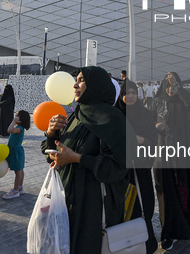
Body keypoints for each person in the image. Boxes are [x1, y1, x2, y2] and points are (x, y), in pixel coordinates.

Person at [42, 67, 130, 254]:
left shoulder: (112, 120)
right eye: (76, 79)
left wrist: (77, 158)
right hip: (68, 200)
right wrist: (51, 135)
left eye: (81, 80)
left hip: (93, 206)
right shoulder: (78, 115)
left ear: (96, 85)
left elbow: (117, 168)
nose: (75, 84)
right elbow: (59, 151)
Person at [151, 72, 190, 251]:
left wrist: (176, 85)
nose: (170, 89)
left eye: (173, 85)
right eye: (167, 85)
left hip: (181, 153)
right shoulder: (156, 102)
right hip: (162, 154)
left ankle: (183, 224)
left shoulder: (184, 104)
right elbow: (147, 122)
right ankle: (167, 232)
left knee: (182, 190)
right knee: (166, 194)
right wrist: (155, 126)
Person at [115, 79, 159, 254]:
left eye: (133, 92)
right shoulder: (116, 115)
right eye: (127, 93)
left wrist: (142, 141)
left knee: (144, 204)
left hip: (140, 168)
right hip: (120, 169)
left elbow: (154, 141)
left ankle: (146, 242)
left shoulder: (147, 115)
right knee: (122, 205)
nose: (131, 96)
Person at [3, 110, 30, 199]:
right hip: (16, 150)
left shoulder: (19, 128)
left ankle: (15, 191)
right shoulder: (19, 127)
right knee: (20, 170)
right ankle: (20, 187)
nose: (15, 116)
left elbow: (9, 130)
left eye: (17, 115)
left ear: (21, 120)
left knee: (18, 171)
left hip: (16, 152)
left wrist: (13, 121)